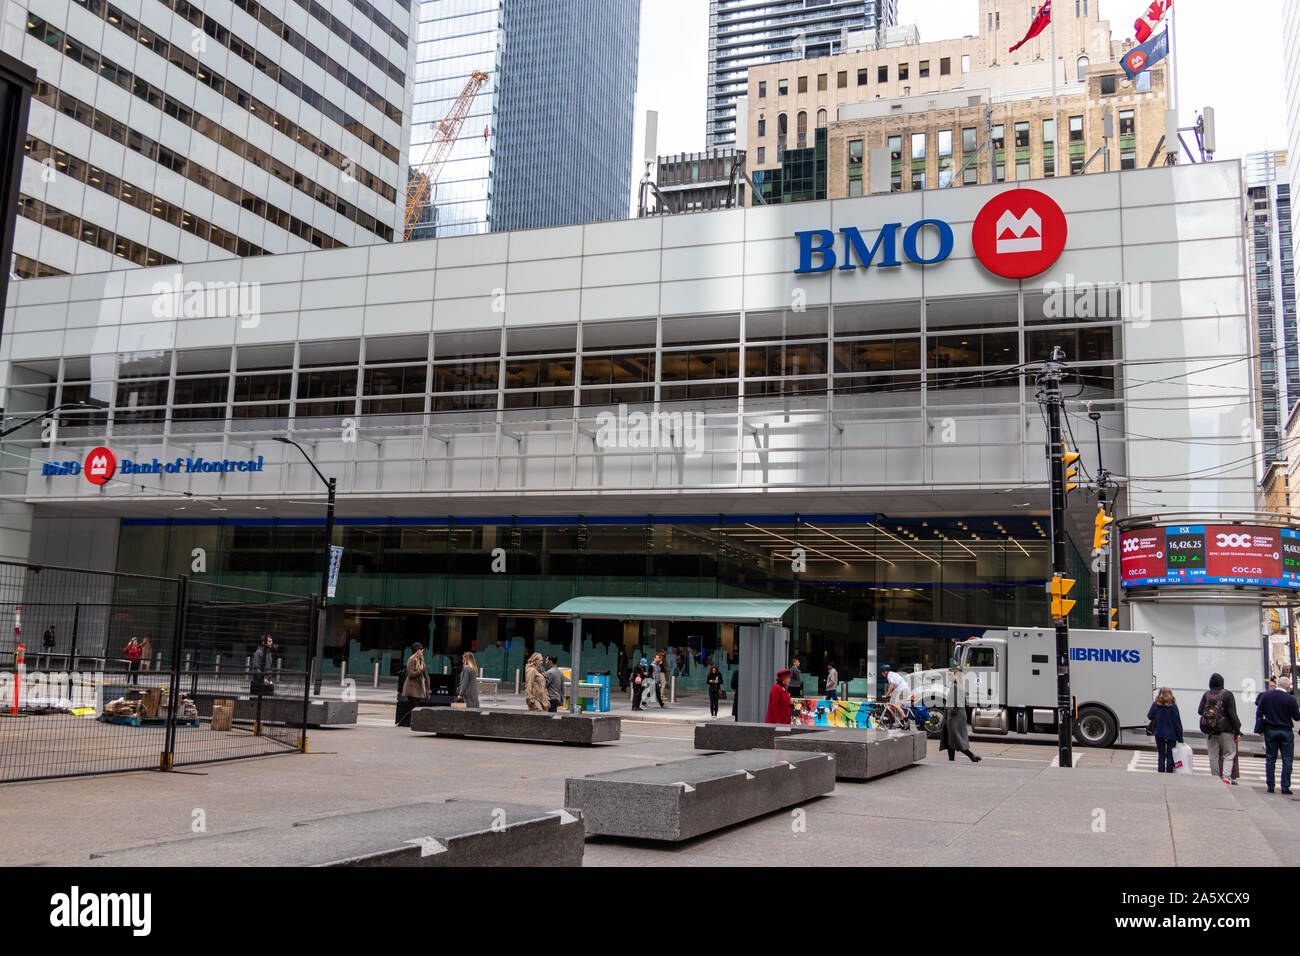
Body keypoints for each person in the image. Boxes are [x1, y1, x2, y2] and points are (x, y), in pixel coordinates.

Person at [1254, 675, 1300, 794]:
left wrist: (1261, 728)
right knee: (1287, 760)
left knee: (1270, 759)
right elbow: (1296, 717)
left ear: (1278, 684)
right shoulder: (1290, 699)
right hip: (1286, 731)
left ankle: (1270, 786)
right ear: (1288, 686)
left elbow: (1259, 712)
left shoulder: (1267, 696)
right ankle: (1285, 787)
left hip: (1270, 729)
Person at [1197, 672, 1241, 784]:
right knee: (1229, 754)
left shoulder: (1206, 694)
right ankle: (1226, 779)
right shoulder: (1227, 695)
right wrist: (1238, 731)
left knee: (1213, 756)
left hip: (1210, 730)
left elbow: (1199, 711)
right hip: (1226, 730)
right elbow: (1232, 714)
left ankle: (1215, 778)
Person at [940, 662, 980, 762]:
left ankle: (972, 756)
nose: (948, 677)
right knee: (951, 738)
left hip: (954, 716)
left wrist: (950, 714)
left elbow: (956, 703)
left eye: (950, 675)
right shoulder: (958, 685)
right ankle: (951, 759)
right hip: (956, 715)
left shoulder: (956, 686)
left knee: (955, 738)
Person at [1146, 687, 1183, 773]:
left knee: (1161, 754)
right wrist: (1180, 738)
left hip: (1159, 733)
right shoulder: (1173, 706)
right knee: (1170, 755)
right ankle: (1169, 772)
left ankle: (1161, 772)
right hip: (1172, 734)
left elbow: (1149, 716)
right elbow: (1177, 723)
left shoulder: (1156, 704)